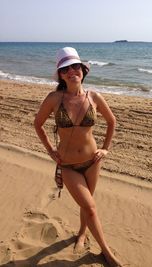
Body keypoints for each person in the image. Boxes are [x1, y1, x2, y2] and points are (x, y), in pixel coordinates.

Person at [34, 47, 122, 267]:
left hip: (93, 161)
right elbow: (38, 124)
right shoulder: (54, 98)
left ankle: (82, 233)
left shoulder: (94, 97)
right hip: (69, 166)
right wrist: (50, 151)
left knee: (87, 205)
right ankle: (107, 253)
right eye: (65, 69)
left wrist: (105, 148)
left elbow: (112, 122)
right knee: (90, 207)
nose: (71, 71)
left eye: (75, 66)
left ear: (83, 69)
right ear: (61, 75)